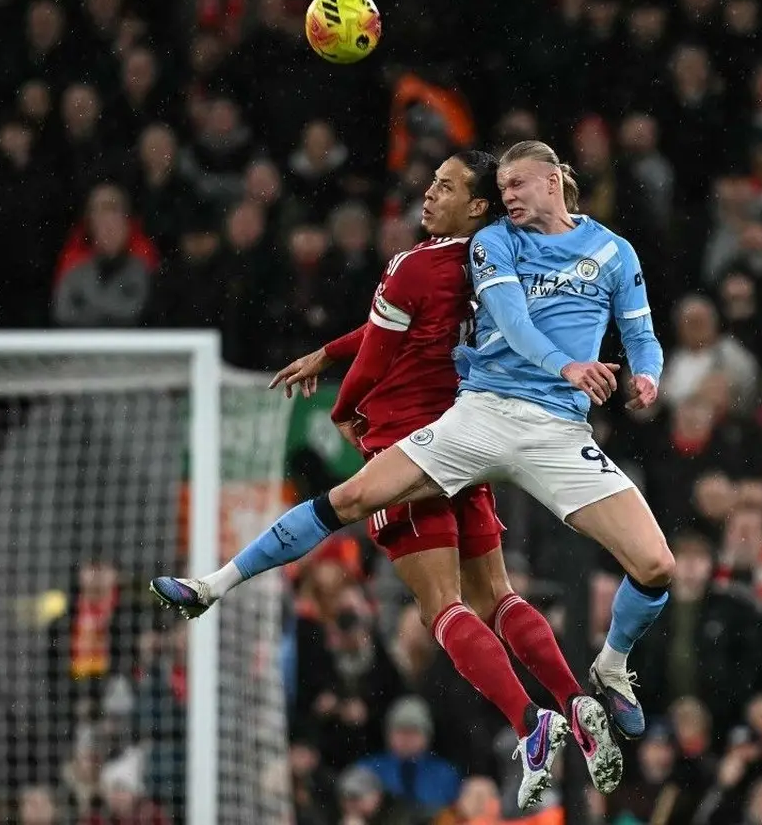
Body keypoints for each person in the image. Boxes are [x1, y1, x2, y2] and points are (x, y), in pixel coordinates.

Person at [154, 137, 669, 746]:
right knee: (353, 501)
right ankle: (213, 585)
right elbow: (510, 322)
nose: (508, 196)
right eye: (501, 188)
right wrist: (569, 366)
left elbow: (641, 332)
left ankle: (608, 668)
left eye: (516, 185)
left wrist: (647, 376)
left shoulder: (611, 251)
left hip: (556, 429)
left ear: (553, 180)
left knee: (655, 567)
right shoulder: (494, 243)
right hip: (482, 415)